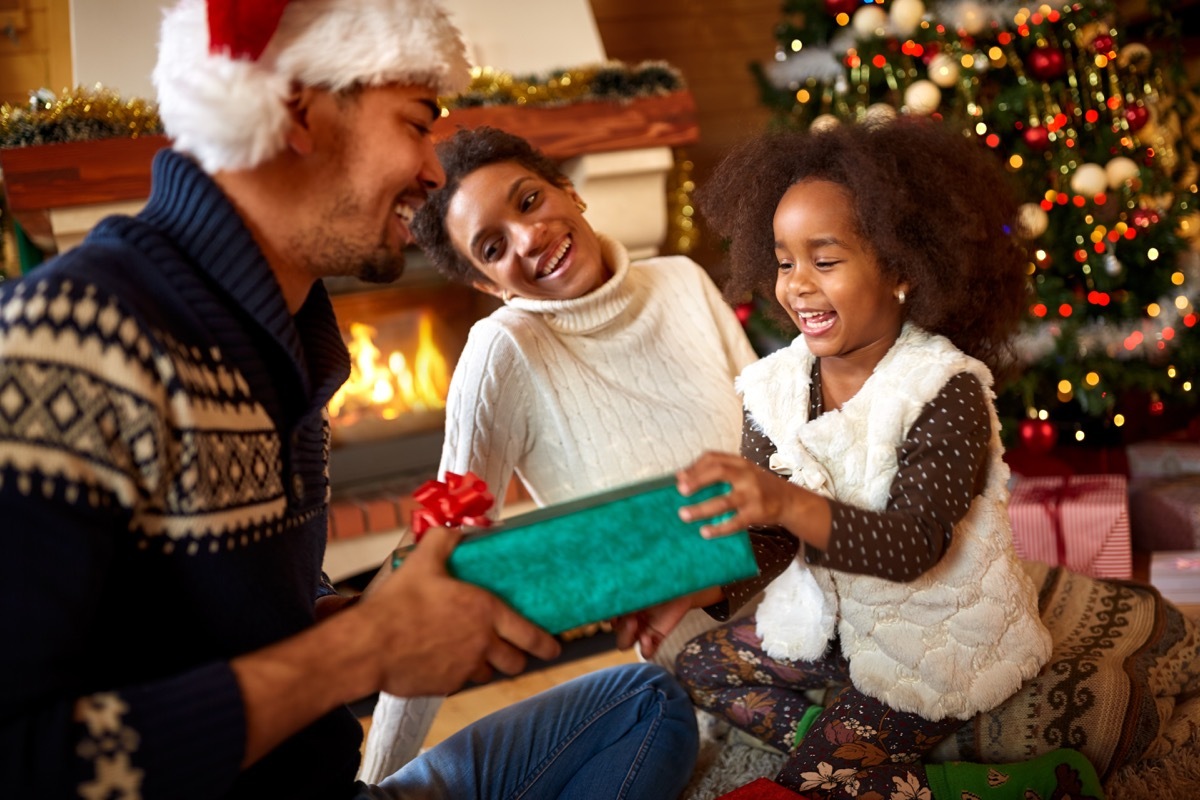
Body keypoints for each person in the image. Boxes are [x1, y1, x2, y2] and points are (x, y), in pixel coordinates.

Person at [0, 1, 699, 798]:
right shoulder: (72, 336)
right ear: (298, 107)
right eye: (415, 122)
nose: (434, 171)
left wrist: (354, 619)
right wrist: (362, 648)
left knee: (644, 702)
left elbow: (213, 631)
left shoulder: (286, 339)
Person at [653, 120, 1108, 798]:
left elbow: (913, 546)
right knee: (692, 666)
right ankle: (853, 743)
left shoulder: (944, 388)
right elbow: (774, 542)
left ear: (900, 269)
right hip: (829, 631)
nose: (797, 286)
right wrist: (705, 586)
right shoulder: (771, 387)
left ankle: (984, 782)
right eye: (783, 261)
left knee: (812, 783)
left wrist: (780, 499)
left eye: (825, 261)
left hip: (930, 646)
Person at [360, 125, 763, 780]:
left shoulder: (683, 282)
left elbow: (777, 460)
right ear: (487, 283)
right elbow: (435, 576)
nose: (528, 237)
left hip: (812, 599)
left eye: (528, 201)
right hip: (720, 681)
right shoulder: (503, 353)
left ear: (569, 191)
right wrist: (372, 785)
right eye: (493, 247)